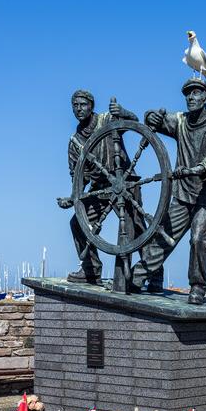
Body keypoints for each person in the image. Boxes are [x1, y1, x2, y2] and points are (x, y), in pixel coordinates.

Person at [129, 78, 206, 305]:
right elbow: (156, 120)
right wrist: (150, 116)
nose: (191, 98)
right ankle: (138, 277)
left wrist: (194, 170)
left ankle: (198, 286)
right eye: (188, 94)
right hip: (183, 193)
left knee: (197, 240)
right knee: (164, 237)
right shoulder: (181, 121)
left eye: (196, 94)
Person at [57, 89, 145, 284]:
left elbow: (134, 122)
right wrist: (72, 199)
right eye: (75, 105)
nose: (79, 109)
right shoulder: (75, 142)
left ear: (91, 106)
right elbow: (78, 178)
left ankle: (154, 273)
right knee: (78, 222)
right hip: (100, 189)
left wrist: (123, 112)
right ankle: (91, 270)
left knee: (138, 227)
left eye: (83, 104)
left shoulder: (106, 120)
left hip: (125, 183)